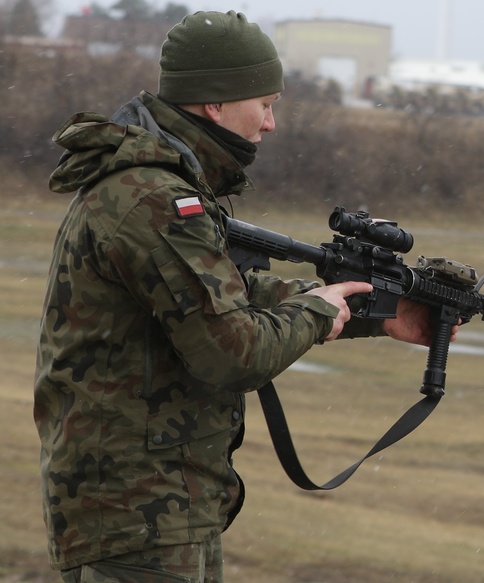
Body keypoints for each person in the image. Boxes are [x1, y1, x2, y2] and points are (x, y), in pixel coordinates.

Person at [34, 11, 440, 582]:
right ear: (215, 103)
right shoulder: (154, 197)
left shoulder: (165, 183)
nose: (271, 123)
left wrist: (374, 309)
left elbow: (224, 294)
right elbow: (230, 350)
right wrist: (319, 310)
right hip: (138, 515)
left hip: (160, 507)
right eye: (264, 103)